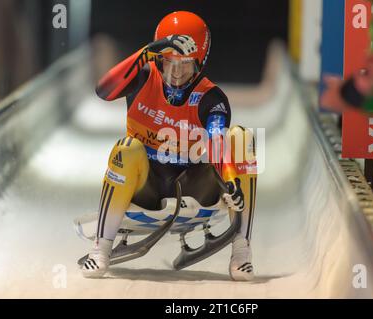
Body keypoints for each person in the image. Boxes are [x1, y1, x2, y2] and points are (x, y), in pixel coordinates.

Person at [81, 11, 257, 281]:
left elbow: (218, 141)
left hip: (195, 186)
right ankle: (100, 250)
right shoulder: (142, 76)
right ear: (158, 57)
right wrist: (146, 51)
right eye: (169, 62)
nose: (175, 73)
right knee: (126, 148)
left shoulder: (211, 99)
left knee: (242, 138)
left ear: (199, 62)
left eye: (185, 64)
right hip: (147, 186)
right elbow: (103, 91)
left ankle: (242, 252)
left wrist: (231, 180)